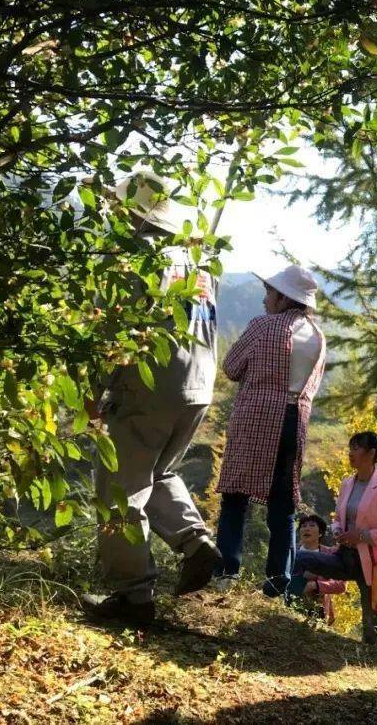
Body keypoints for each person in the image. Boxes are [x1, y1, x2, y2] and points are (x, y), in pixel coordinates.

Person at [83, 171, 222, 626]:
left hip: (149, 383)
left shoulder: (136, 256)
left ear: (130, 211)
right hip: (197, 384)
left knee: (119, 488)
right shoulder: (197, 258)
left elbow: (115, 329)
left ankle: (134, 596)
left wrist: (94, 389)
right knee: (157, 470)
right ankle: (195, 542)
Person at [213, 264, 327, 597]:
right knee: (283, 504)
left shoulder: (262, 326)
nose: (265, 299)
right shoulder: (318, 338)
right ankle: (278, 582)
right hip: (295, 420)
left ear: (283, 296)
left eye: (269, 292)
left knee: (236, 494)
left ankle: (227, 570)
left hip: (257, 418)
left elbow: (232, 367)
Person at [292, 432, 377, 645]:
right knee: (301, 559)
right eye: (350, 448)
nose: (351, 453)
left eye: (356, 448)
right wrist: (336, 531)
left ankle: (370, 661)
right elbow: (337, 519)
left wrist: (361, 535)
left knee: (370, 623)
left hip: (371, 563)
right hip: (345, 556)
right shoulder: (347, 483)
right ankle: (291, 609)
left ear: (371, 454)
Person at [287, 513, 346, 625]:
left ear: (320, 533)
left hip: (318, 609)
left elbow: (341, 585)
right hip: (290, 601)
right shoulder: (290, 551)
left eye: (312, 526)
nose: (307, 529)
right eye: (303, 526)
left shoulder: (330, 555)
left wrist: (315, 585)